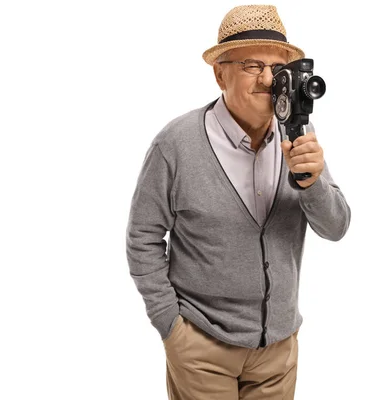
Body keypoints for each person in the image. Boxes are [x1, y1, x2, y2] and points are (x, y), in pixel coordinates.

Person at [126, 5, 351, 399]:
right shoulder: (175, 144)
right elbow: (143, 237)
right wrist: (170, 325)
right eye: (252, 65)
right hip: (202, 345)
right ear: (219, 73)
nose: (268, 80)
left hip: (278, 350)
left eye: (278, 69)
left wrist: (312, 182)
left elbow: (336, 227)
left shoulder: (297, 133)